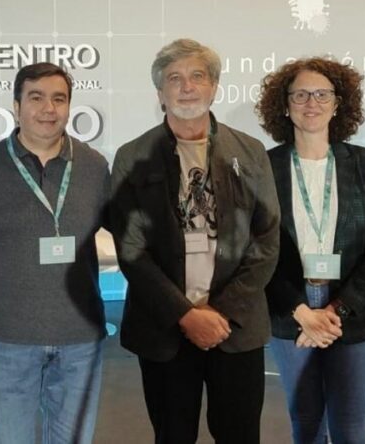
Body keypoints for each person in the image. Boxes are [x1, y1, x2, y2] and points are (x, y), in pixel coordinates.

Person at [109, 38, 280, 444]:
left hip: (234, 327)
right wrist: (186, 315)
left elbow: (267, 238)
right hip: (165, 329)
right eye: (174, 78)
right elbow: (131, 250)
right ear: (160, 93)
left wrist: (221, 312)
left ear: (214, 87)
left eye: (197, 76)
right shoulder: (133, 156)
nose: (187, 87)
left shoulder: (250, 152)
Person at [0, 62, 110, 444]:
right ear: (16, 106)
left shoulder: (94, 167)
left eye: (59, 99)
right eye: (36, 98)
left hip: (79, 337)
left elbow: (132, 236)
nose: (48, 109)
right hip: (7, 338)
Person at [255, 57, 365, 444]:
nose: (311, 103)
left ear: (338, 104)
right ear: (284, 105)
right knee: (306, 424)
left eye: (322, 94)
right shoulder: (265, 166)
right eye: (300, 95)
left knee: (351, 428)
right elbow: (258, 252)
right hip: (290, 310)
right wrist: (302, 312)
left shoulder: (363, 163)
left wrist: (334, 311)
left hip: (353, 308)